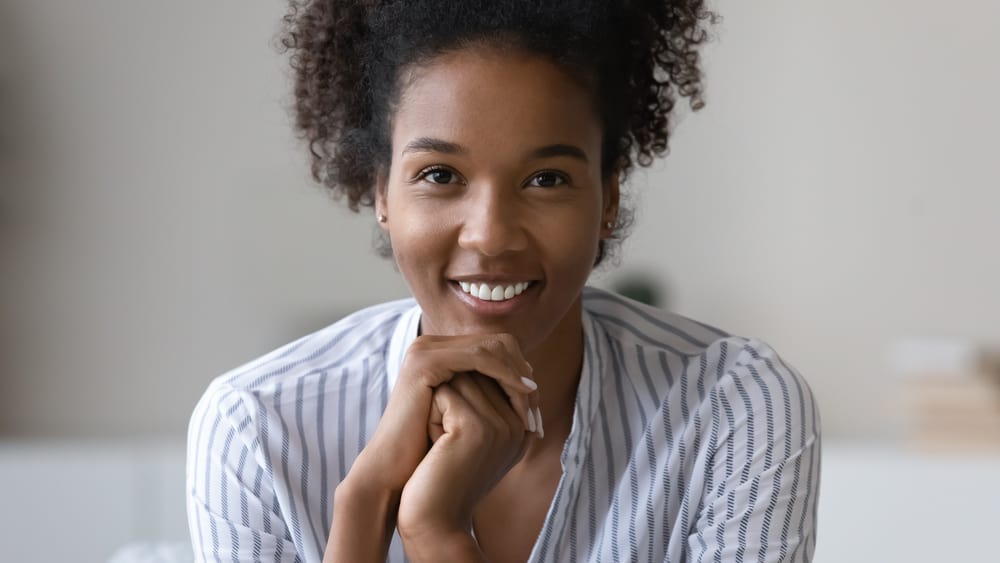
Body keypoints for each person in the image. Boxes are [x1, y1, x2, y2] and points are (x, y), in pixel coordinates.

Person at [186, 0, 821, 561]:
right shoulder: (259, 430)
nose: (490, 235)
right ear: (381, 191)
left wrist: (436, 534)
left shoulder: (731, 407)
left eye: (546, 179)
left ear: (608, 197)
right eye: (439, 175)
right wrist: (364, 503)